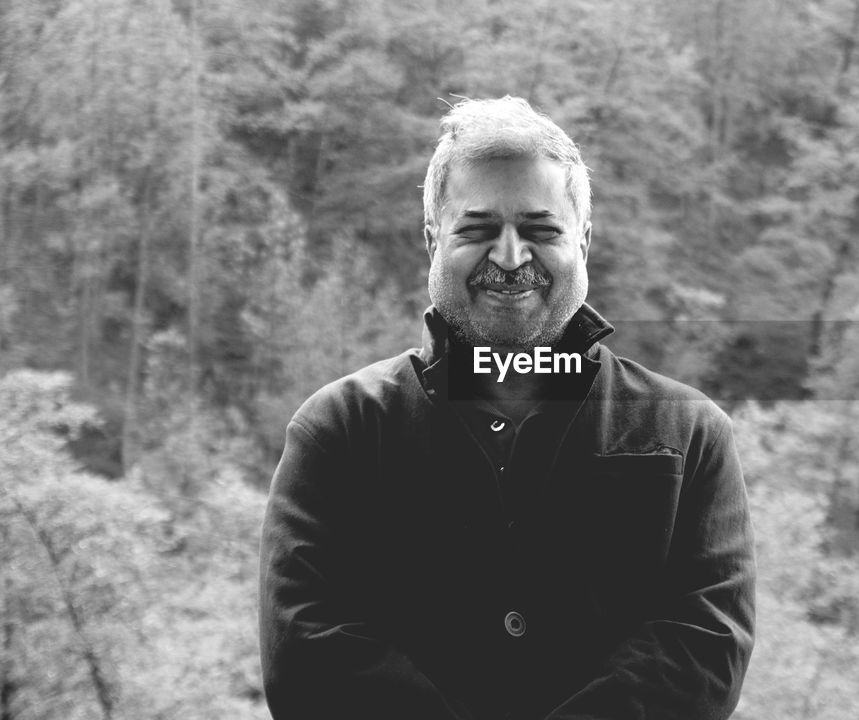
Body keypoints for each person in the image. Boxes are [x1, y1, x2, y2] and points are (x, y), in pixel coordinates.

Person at [258, 96, 756, 720]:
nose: (511, 256)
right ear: (433, 238)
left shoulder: (690, 432)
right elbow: (307, 653)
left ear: (584, 239)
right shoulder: (338, 429)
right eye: (478, 228)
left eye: (540, 229)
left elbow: (704, 650)